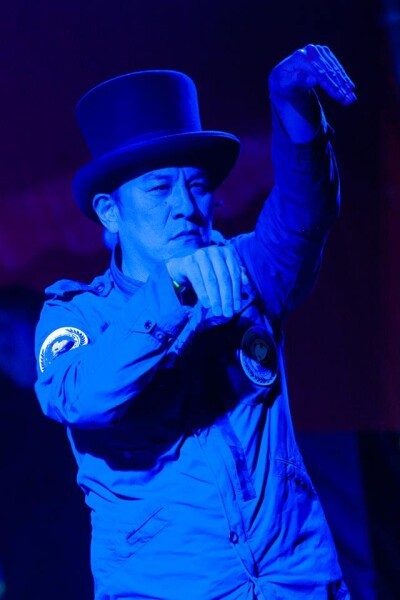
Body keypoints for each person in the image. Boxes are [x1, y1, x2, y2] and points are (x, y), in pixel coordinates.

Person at [35, 45, 356, 599]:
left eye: (198, 185)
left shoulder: (244, 270)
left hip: (296, 581)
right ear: (111, 212)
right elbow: (82, 397)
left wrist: (292, 104)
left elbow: (304, 217)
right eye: (159, 189)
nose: (185, 206)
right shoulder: (75, 315)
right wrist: (172, 290)